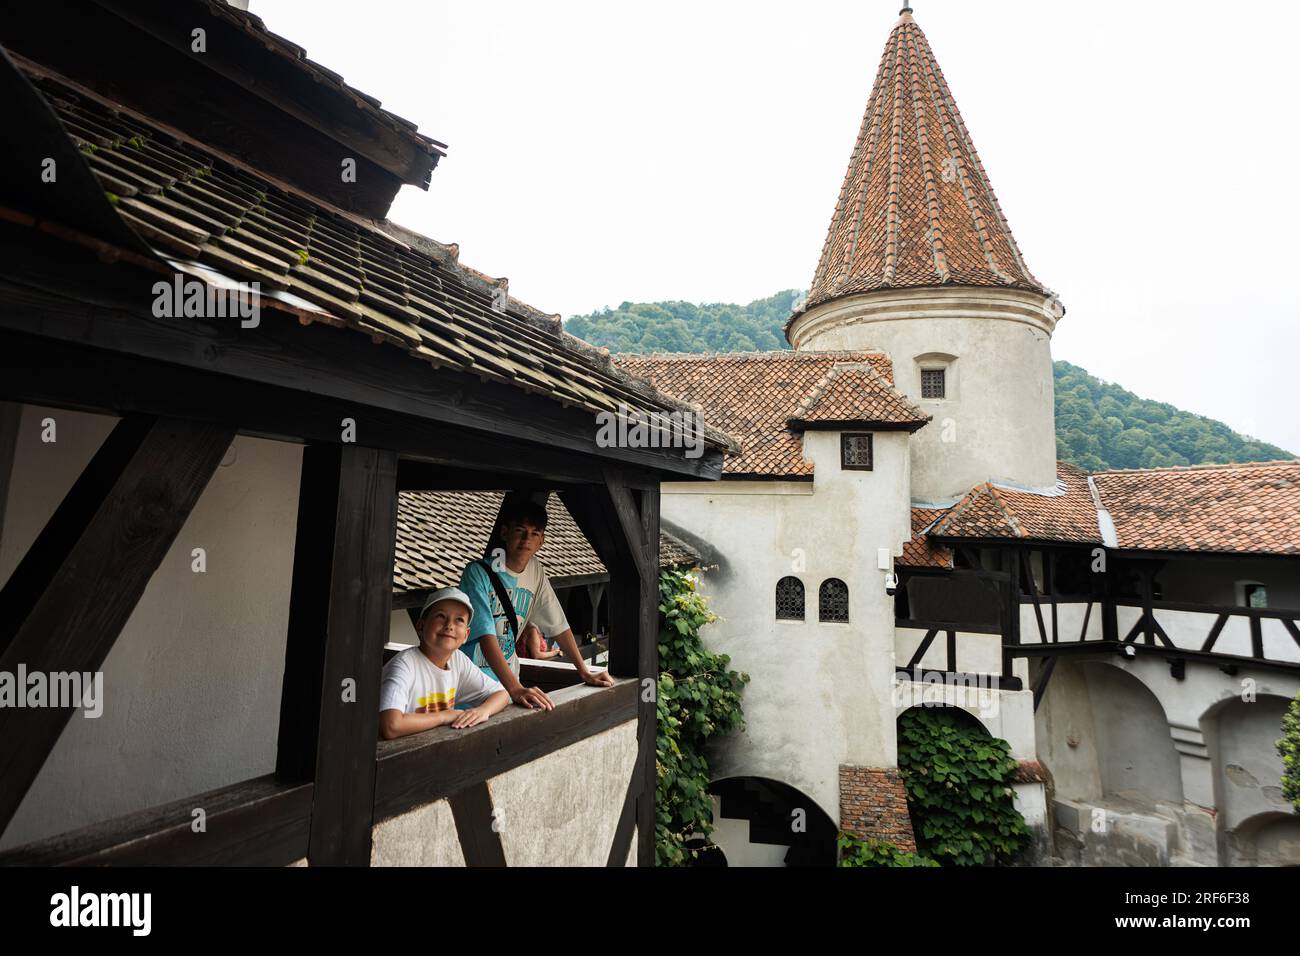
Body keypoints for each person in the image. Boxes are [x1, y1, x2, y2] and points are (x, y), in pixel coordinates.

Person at [459, 496, 615, 710]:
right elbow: (486, 636)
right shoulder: (477, 574)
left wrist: (584, 671)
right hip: (471, 682)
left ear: (541, 541)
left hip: (506, 686)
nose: (526, 540)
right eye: (519, 531)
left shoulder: (535, 571)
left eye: (534, 534)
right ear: (505, 533)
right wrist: (515, 688)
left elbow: (558, 624)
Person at [378, 587, 510, 740]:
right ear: (421, 626)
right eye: (441, 616)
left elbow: (502, 694)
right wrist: (444, 716)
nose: (449, 625)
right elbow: (391, 725)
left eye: (459, 620)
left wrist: (483, 711)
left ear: (466, 635)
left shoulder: (457, 660)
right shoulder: (404, 665)